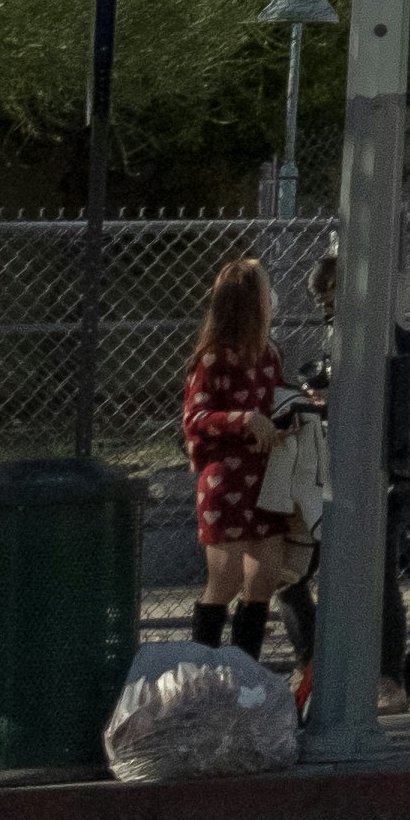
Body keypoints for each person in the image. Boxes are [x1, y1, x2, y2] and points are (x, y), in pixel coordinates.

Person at [180, 257, 287, 658]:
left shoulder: (269, 353)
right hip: (226, 480)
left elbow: (277, 398)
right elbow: (195, 417)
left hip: (265, 476)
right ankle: (202, 668)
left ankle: (244, 670)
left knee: (263, 580)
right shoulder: (213, 357)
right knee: (223, 581)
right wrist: (243, 419)